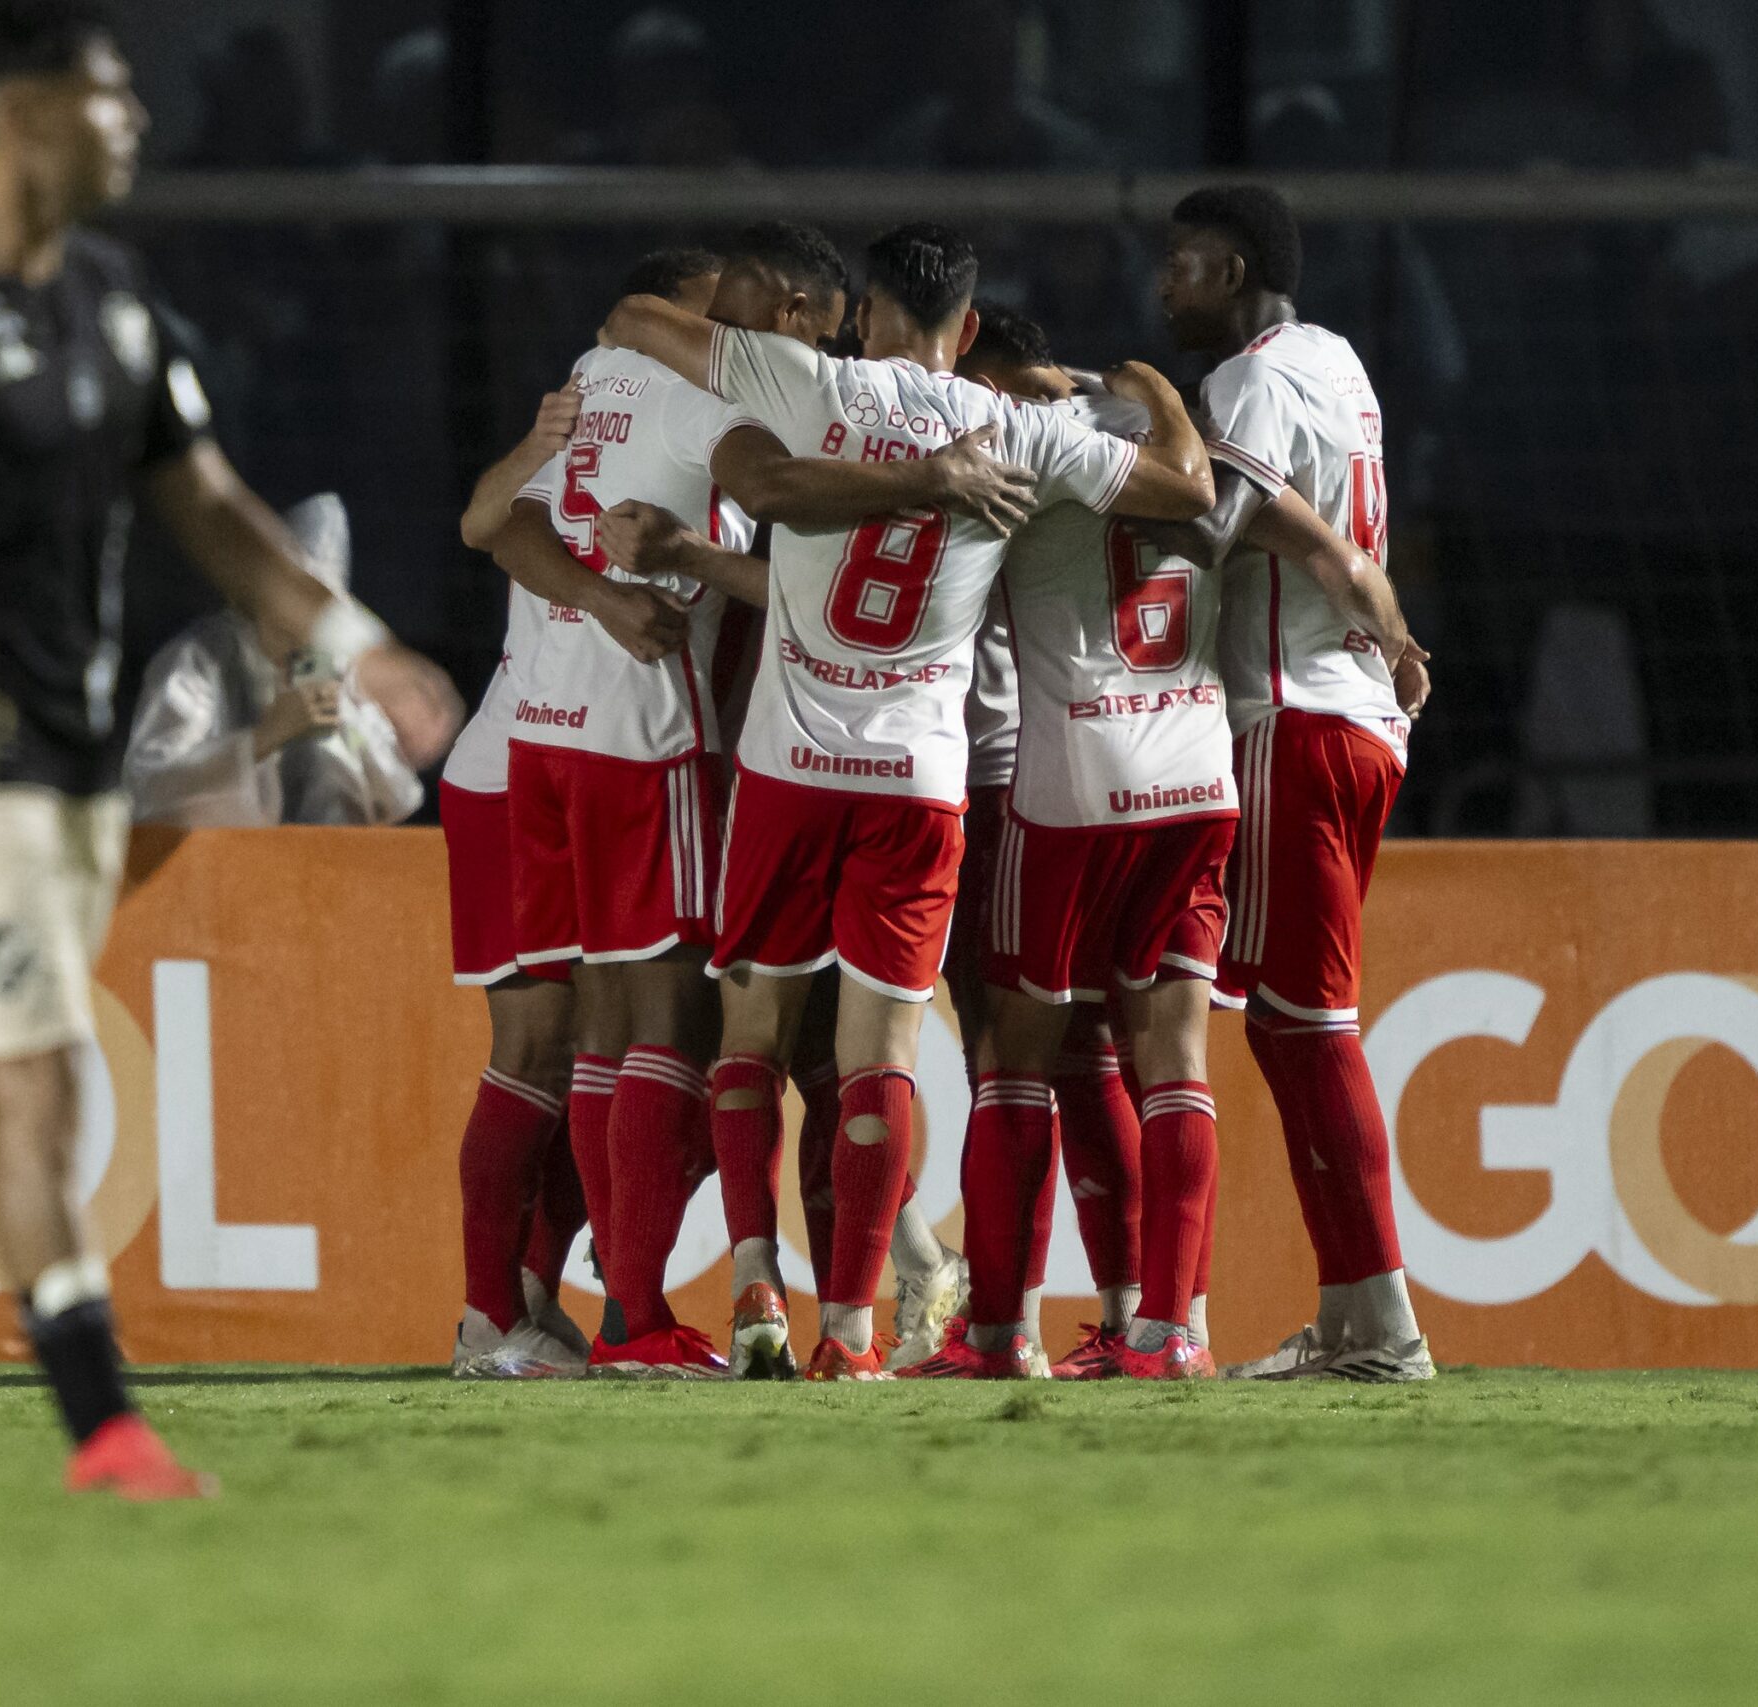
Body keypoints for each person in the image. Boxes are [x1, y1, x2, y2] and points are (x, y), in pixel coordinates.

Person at [0, 0, 458, 1499]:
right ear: (12, 114)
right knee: (38, 1072)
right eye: (107, 91)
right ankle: (104, 1420)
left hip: (78, 761)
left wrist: (359, 643)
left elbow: (212, 509)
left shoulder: (116, 302)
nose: (135, 115)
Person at [601, 221, 1216, 1379]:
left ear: (863, 314)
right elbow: (1183, 492)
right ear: (968, 328)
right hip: (923, 783)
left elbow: (630, 320)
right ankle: (848, 1330)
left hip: (788, 765)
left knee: (750, 1036)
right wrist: (1155, 394)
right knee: (881, 1051)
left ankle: (751, 1289)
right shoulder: (1023, 432)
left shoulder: (806, 380)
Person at [896, 308, 1240, 1381]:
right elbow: (1209, 497)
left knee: (1014, 1055)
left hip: (1070, 785)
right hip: (1198, 774)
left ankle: (998, 1333)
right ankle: (1168, 1331)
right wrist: (1157, 391)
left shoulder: (1015, 445)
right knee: (1172, 1062)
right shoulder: (1169, 439)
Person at [1151, 186, 1435, 1383]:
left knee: (1311, 1024)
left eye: (1178, 264)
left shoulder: (1246, 384)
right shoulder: (1340, 363)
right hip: (1360, 717)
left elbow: (1209, 524)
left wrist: (1138, 425)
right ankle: (1357, 1314)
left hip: (1292, 717)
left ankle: (1384, 1327)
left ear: (1226, 266)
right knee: (1288, 1021)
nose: (1166, 285)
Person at [442, 248, 717, 1381]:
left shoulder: (603, 391)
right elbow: (488, 522)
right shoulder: (635, 390)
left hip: (535, 748)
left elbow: (496, 524)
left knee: (583, 1050)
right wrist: (610, 597)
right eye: (714, 310)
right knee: (563, 1044)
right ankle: (503, 1313)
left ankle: (521, 1306)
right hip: (541, 755)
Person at [124, 495, 427, 828]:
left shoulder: (330, 669)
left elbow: (399, 797)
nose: (301, 630)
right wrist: (262, 738)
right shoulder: (199, 662)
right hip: (207, 868)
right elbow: (147, 785)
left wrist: (349, 722)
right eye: (292, 611)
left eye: (316, 620)